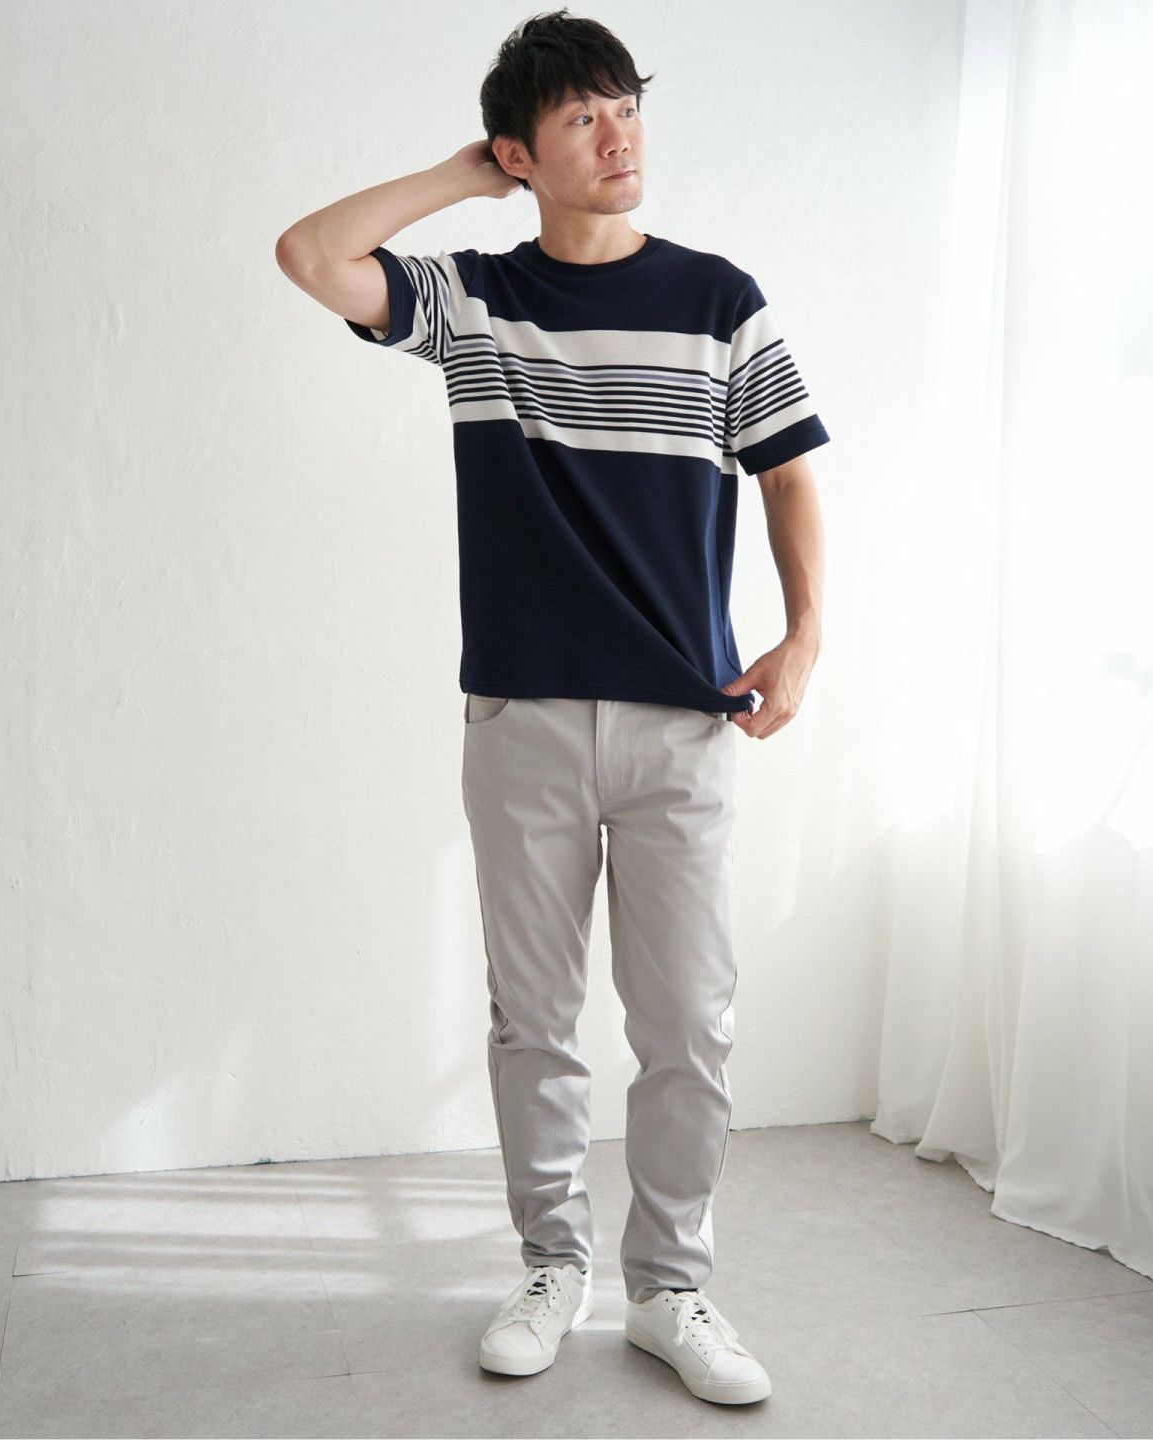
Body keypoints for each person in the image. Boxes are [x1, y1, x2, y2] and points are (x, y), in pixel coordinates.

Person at [275, 7, 829, 1408]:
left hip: (684, 721)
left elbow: (786, 469)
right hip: (522, 719)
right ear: (523, 151)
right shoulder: (473, 303)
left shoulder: (718, 297)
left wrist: (806, 636)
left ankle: (673, 1288)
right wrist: (461, 178)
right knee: (534, 1021)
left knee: (689, 1025)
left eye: (626, 105)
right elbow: (310, 255)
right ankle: (552, 1267)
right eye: (582, 116)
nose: (619, 133)